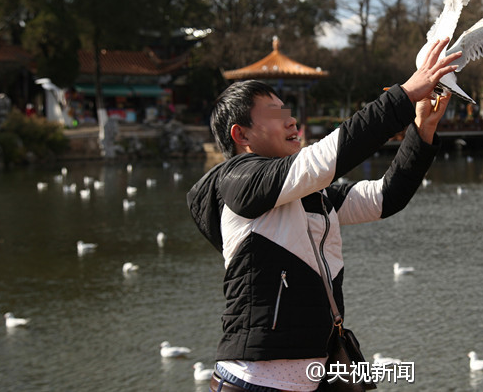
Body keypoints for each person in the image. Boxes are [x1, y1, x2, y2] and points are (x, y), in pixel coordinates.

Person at [187, 38, 461, 392]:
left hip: (320, 375)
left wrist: (422, 131)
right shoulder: (237, 182)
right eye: (274, 114)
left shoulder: (308, 193)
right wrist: (405, 94)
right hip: (253, 383)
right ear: (241, 136)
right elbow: (323, 161)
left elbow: (384, 198)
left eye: (287, 111)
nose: (291, 121)